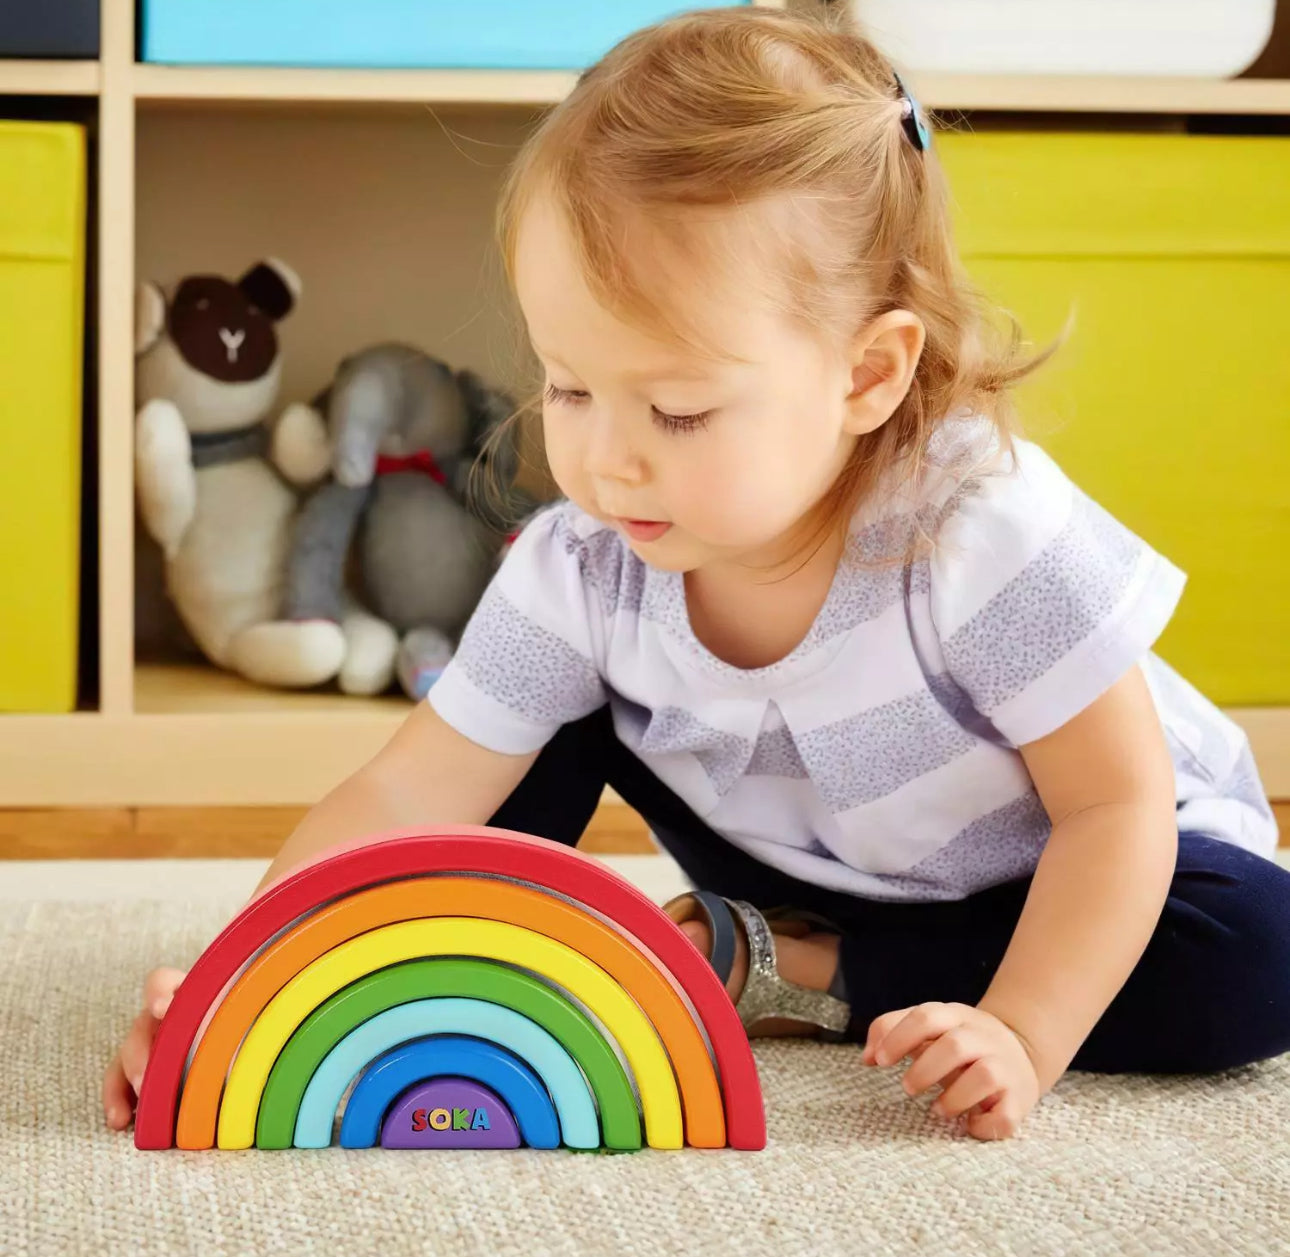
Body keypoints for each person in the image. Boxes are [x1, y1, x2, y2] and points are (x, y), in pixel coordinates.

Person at [104, 6, 1288, 1143]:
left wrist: (1025, 1035)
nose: (603, 460)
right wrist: (238, 989)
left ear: (867, 376)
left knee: (1259, 961)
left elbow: (1113, 811)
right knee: (531, 712)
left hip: (1070, 869)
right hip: (793, 844)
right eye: (568, 386)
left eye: (675, 409)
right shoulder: (587, 560)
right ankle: (515, 950)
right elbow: (403, 798)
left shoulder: (978, 528)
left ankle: (805, 966)